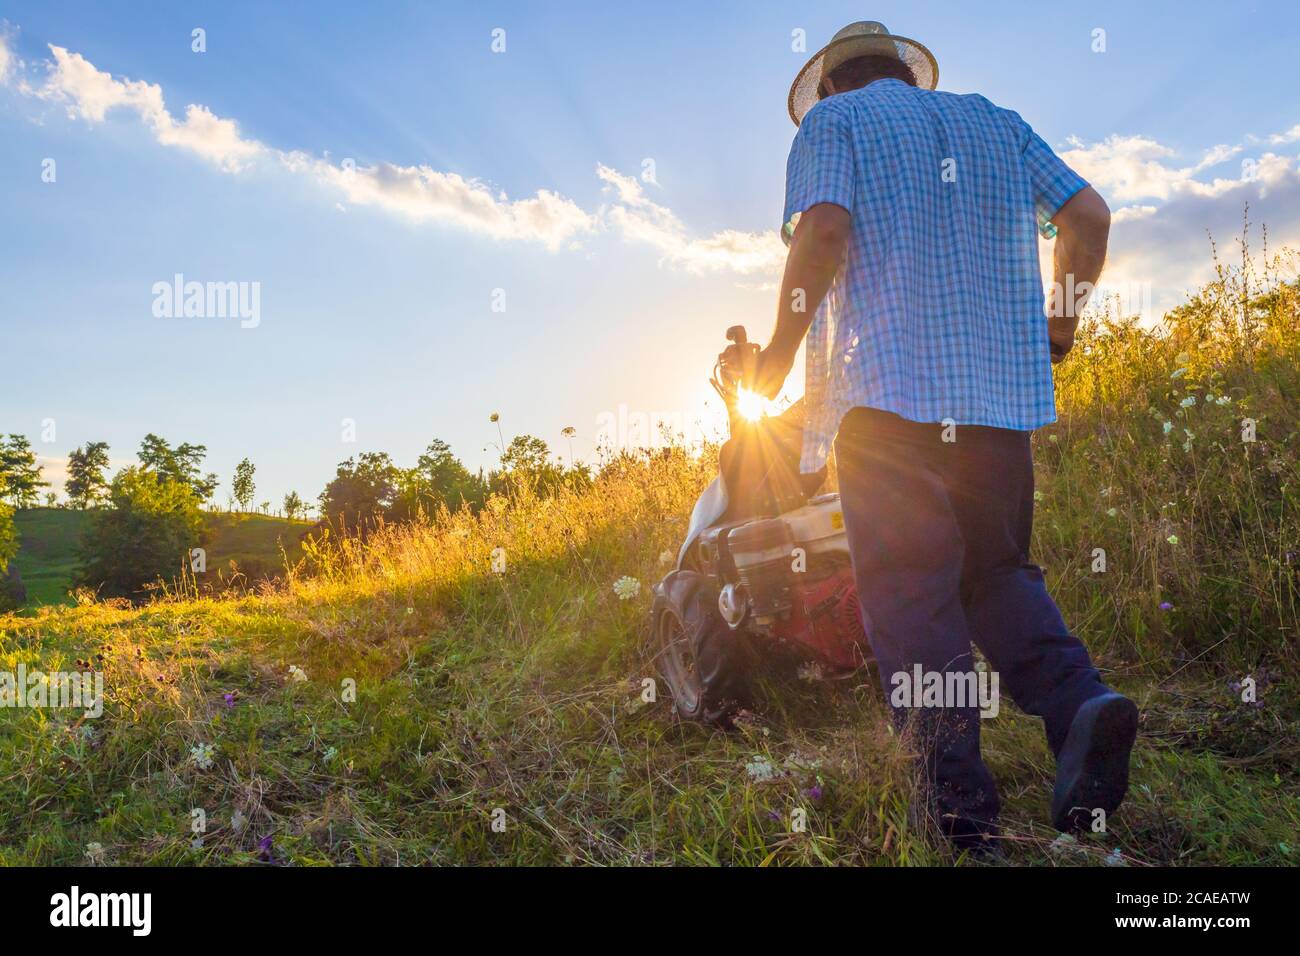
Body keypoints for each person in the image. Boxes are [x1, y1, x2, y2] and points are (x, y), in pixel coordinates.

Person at [752, 20, 1135, 850]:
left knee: (910, 596)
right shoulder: (996, 120)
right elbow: (1091, 220)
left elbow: (822, 233)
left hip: (888, 406)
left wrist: (776, 361)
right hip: (996, 405)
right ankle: (1080, 709)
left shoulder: (834, 125)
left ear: (829, 86)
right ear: (908, 74)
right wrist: (1057, 334)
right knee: (996, 574)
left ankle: (961, 816)